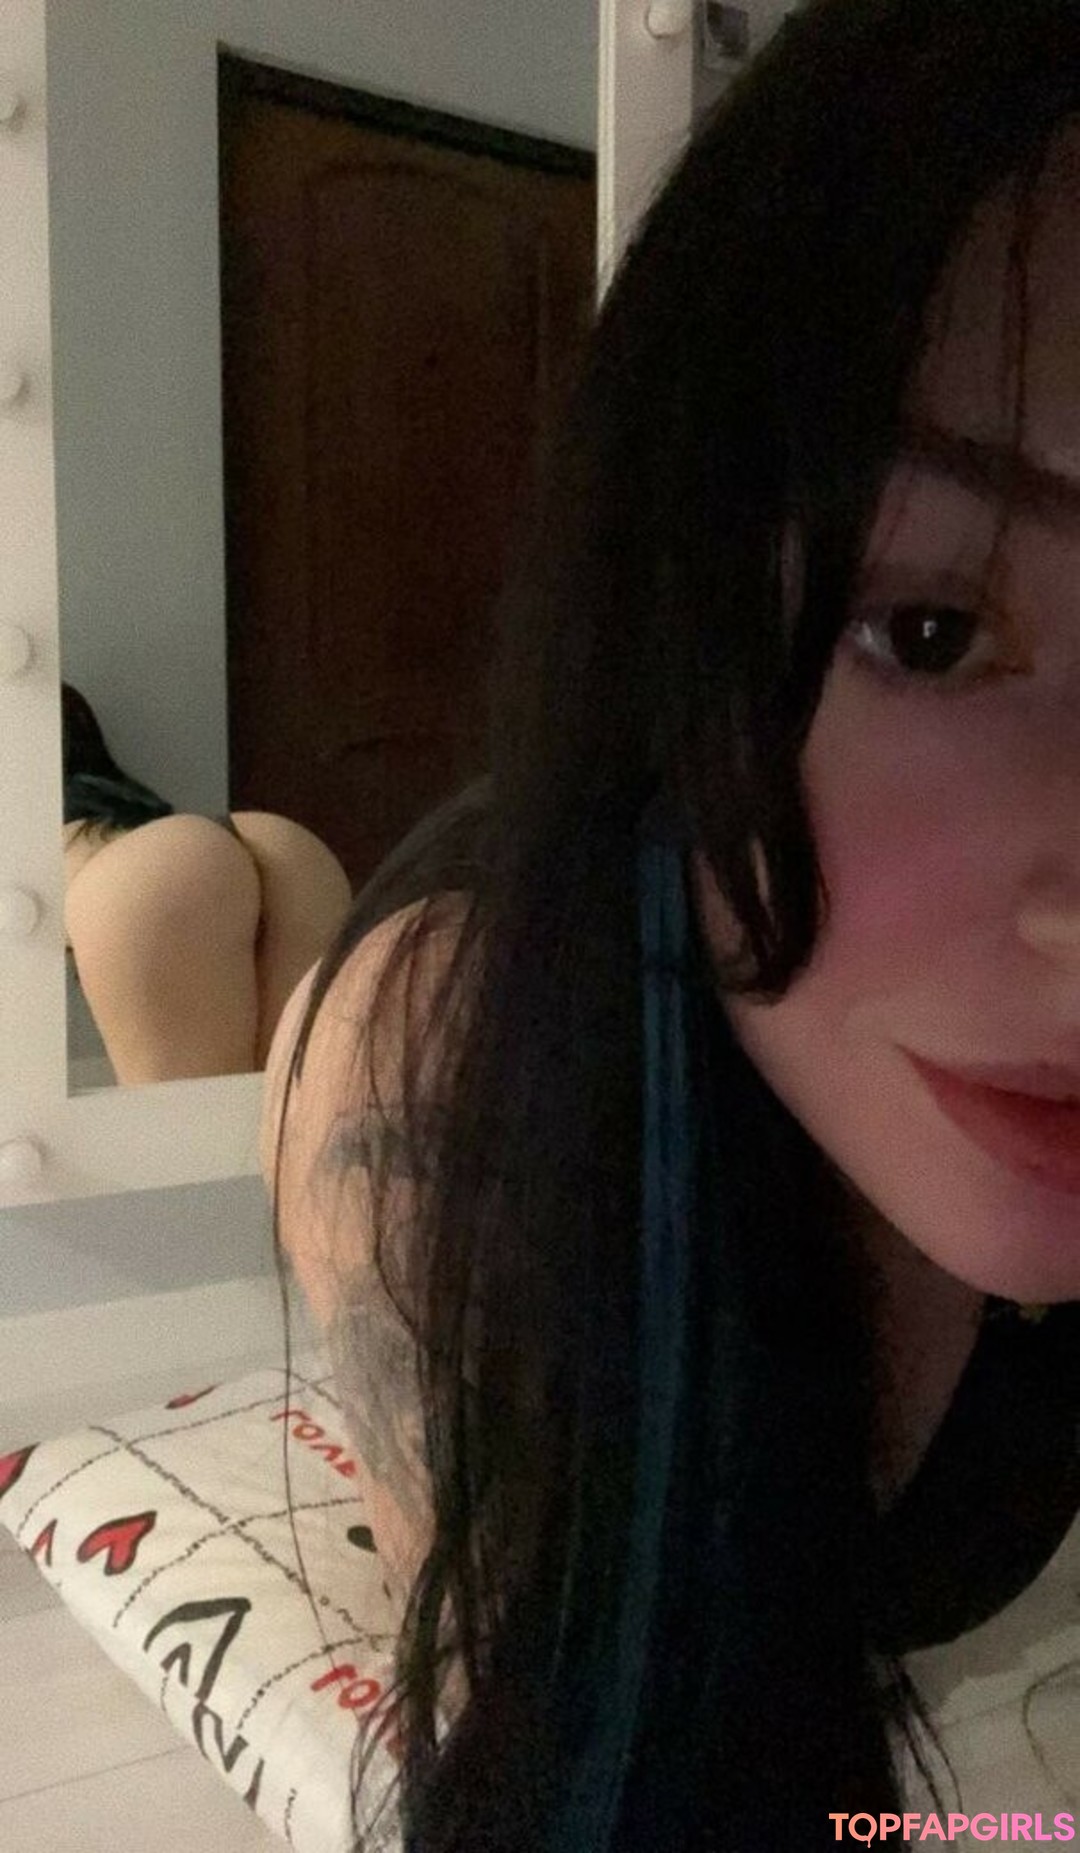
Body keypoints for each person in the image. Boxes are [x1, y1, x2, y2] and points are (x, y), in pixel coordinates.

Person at [261, 3, 1080, 1847]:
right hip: (470, 921)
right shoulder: (456, 1113)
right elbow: (581, 1763)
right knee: (182, 888)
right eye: (932, 630)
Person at [62, 683, 351, 1081]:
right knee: (298, 1093)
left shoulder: (38, 841)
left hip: (147, 880)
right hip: (272, 841)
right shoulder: (114, 814)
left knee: (190, 1114)